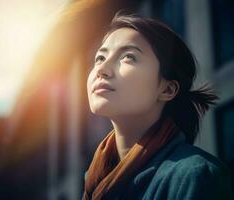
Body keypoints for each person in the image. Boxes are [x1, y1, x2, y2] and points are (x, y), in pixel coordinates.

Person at [83, 11, 234, 200]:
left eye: (129, 57)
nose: (101, 70)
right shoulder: (94, 182)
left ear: (168, 89)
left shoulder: (196, 176)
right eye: (100, 58)